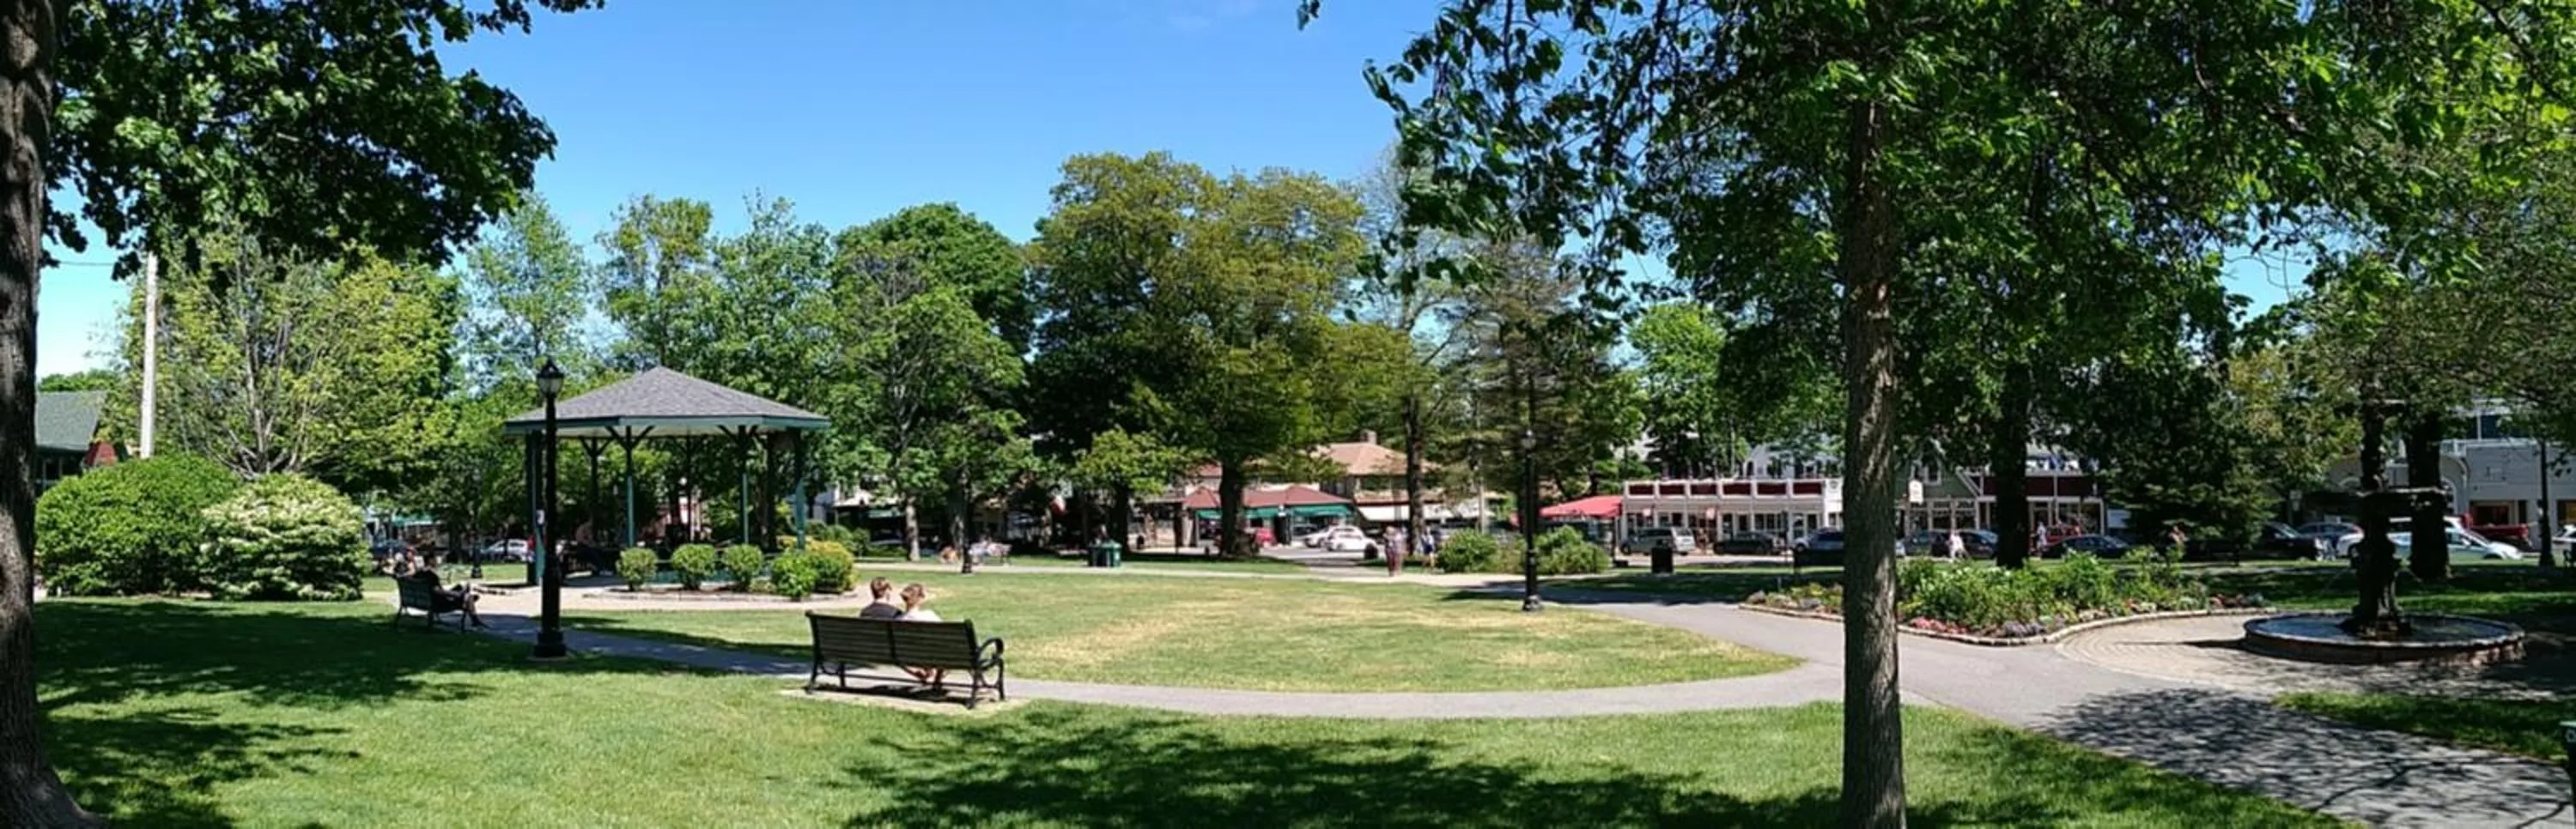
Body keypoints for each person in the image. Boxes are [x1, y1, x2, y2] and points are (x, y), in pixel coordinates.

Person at [897, 583, 945, 687]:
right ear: (920, 598)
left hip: (908, 656)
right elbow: (944, 633)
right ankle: (937, 679)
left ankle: (927, 675)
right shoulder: (929, 615)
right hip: (931, 655)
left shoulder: (898, 620)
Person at [405, 566, 485, 629]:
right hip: (439, 604)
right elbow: (438, 592)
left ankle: (463, 595)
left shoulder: (419, 576)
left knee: (460, 588)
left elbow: (405, 576)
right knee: (467, 597)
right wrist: (456, 594)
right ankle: (474, 618)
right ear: (431, 561)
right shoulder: (431, 577)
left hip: (428, 601)